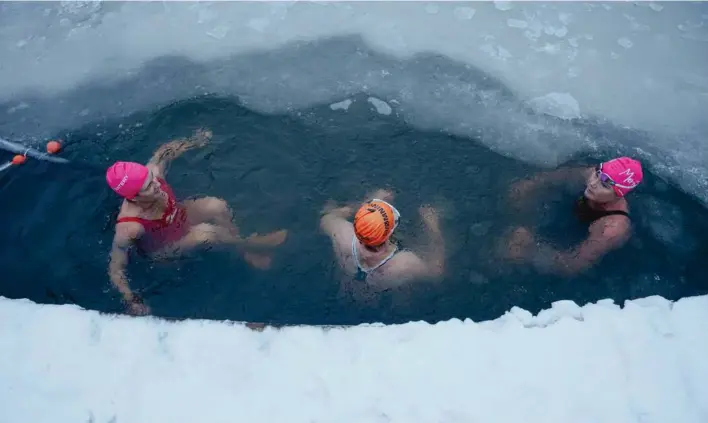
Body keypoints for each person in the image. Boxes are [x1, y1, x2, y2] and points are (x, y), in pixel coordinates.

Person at [107, 129, 288, 315]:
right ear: (134, 197)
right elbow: (116, 265)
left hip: (178, 216)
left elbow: (163, 153)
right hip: (164, 247)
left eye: (152, 179)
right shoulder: (129, 226)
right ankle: (251, 244)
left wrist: (195, 141)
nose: (157, 185)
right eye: (149, 187)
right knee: (207, 233)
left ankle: (241, 248)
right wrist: (130, 299)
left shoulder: (153, 175)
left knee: (217, 206)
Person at [505, 156, 643, 276]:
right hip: (572, 213)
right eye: (597, 174)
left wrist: (530, 250)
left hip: (584, 238)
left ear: (619, 194)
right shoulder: (593, 175)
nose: (593, 183)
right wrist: (529, 185)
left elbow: (572, 265)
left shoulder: (612, 228)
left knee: (507, 252)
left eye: (604, 185)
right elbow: (557, 176)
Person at [319, 188, 445, 296]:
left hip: (348, 288)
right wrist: (433, 226)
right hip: (381, 291)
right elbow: (436, 272)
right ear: (389, 233)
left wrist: (366, 204)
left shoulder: (342, 234)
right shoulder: (404, 263)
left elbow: (327, 216)